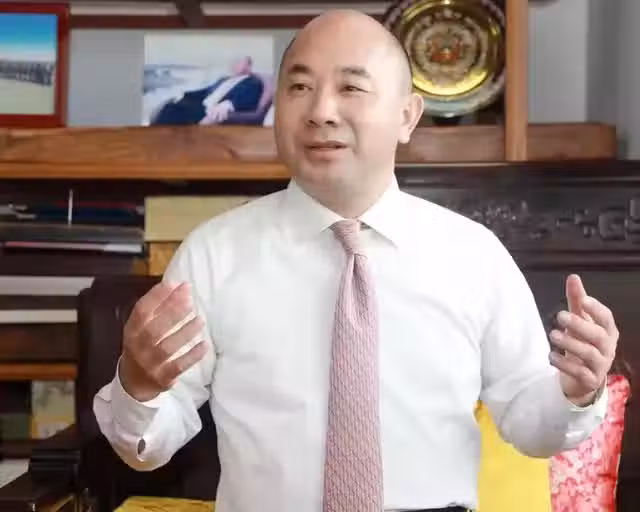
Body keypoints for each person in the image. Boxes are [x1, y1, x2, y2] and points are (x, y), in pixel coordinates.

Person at [94, 9, 619, 512]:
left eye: (351, 88)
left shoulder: (472, 255)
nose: (321, 111)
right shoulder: (214, 254)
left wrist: (577, 392)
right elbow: (149, 444)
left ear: (407, 116)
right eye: (300, 87)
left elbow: (530, 424)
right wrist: (139, 384)